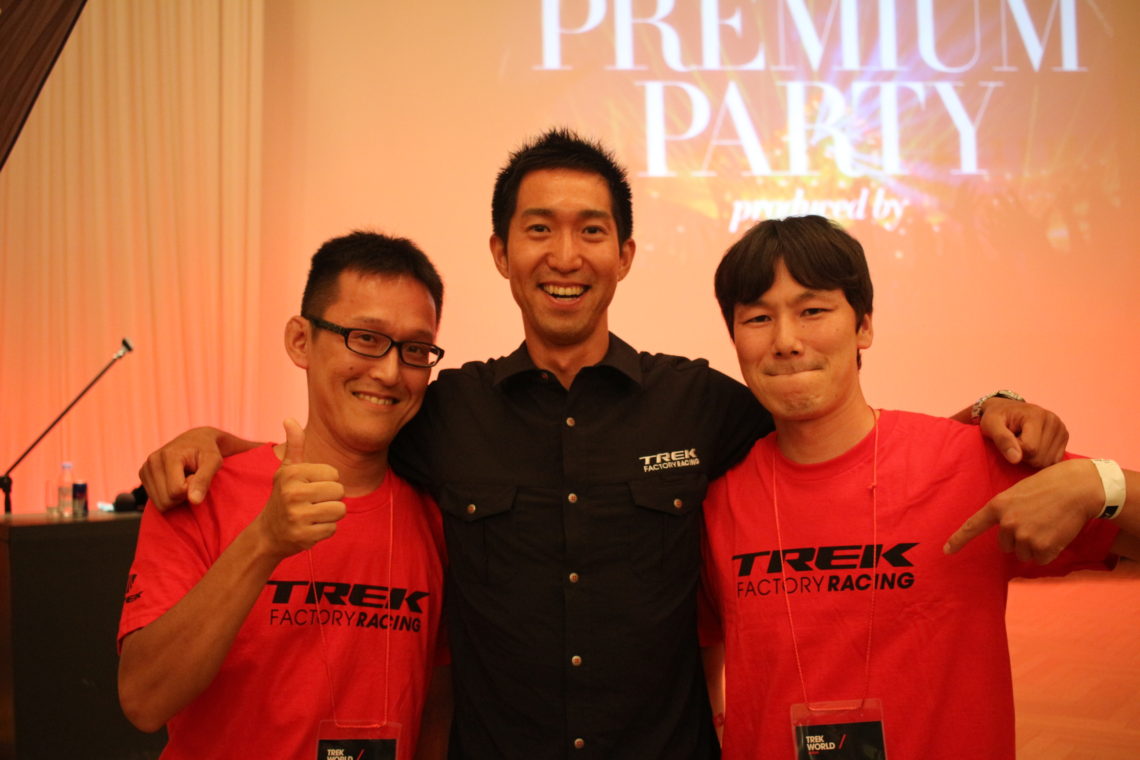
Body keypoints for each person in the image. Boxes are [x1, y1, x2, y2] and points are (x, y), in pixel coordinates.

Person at [136, 131, 1069, 759]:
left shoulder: (699, 404)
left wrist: (988, 411)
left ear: (625, 255)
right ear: (501, 253)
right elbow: (353, 432)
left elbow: (829, 426)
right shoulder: (447, 412)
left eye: (592, 230)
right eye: (538, 229)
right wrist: (219, 444)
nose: (565, 254)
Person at [701, 214, 1140, 759]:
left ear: (863, 326)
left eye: (812, 311)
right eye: (758, 318)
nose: (786, 341)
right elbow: (700, 645)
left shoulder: (968, 464)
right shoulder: (715, 497)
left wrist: (1100, 483)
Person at [118, 232, 451, 759]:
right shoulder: (203, 490)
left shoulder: (436, 513)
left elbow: (438, 701)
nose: (390, 372)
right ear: (301, 341)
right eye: (365, 338)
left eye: (414, 350)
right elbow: (143, 699)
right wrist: (264, 541)